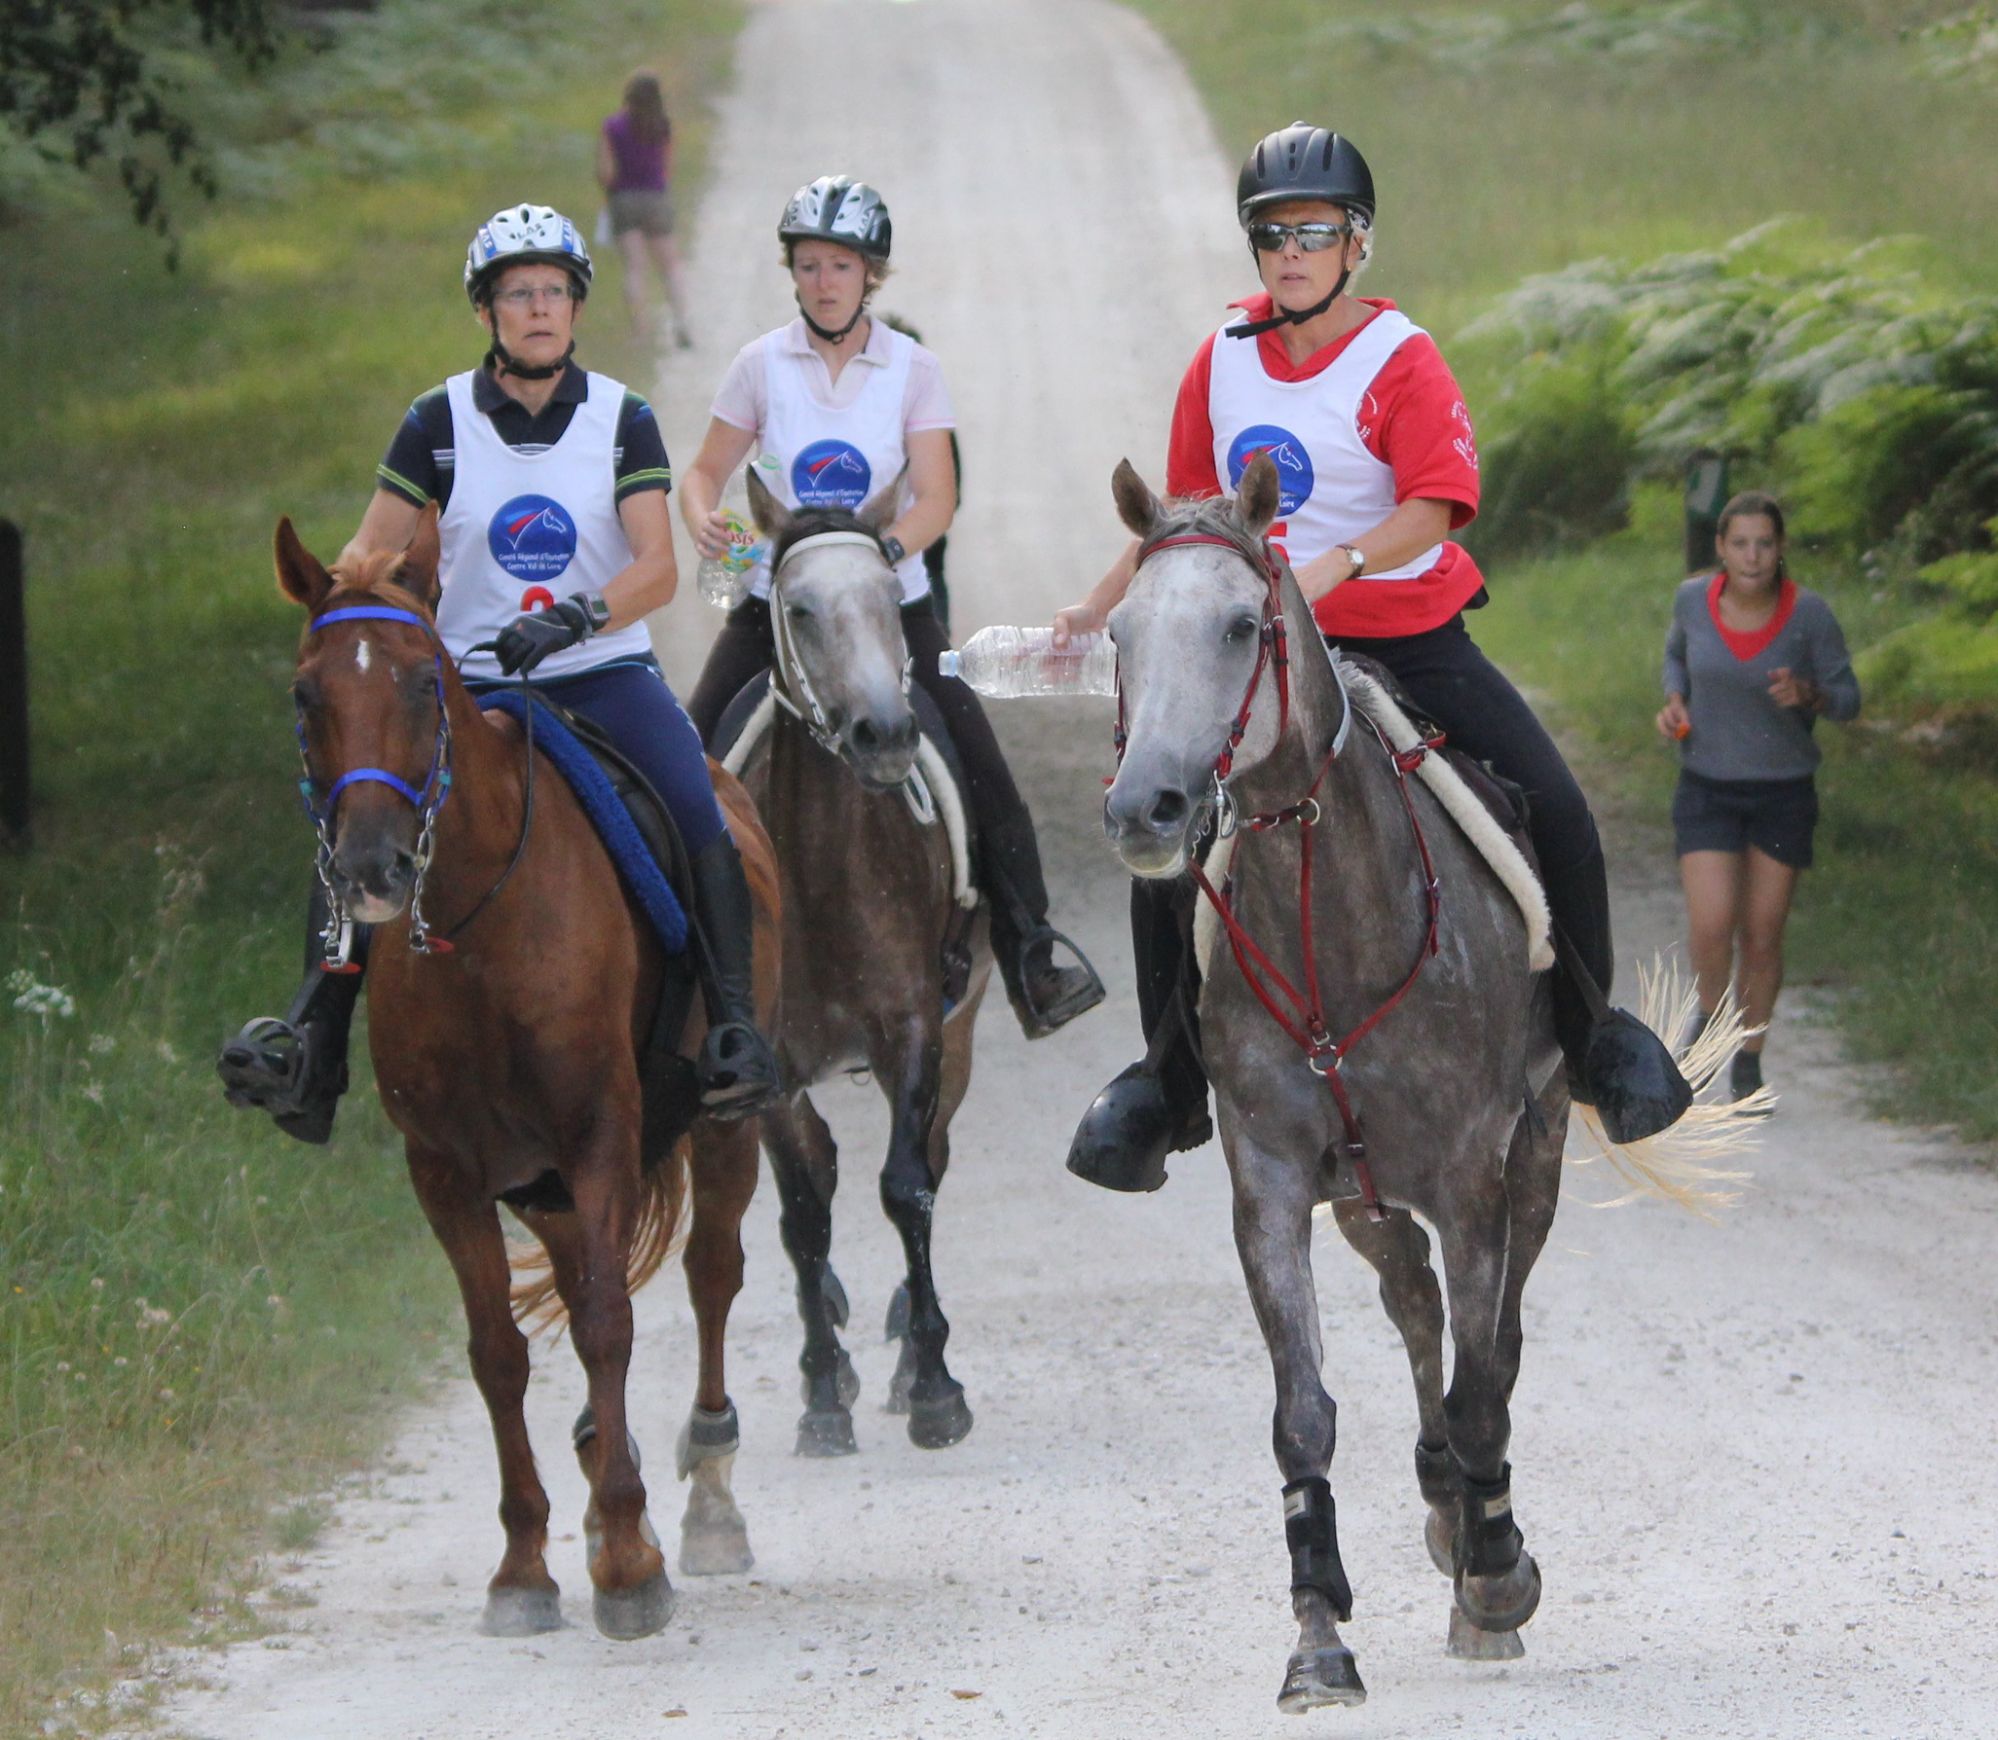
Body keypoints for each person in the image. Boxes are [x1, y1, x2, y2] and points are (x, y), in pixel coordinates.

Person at [1054, 122, 1691, 1192]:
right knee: (1167, 827)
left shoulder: (1403, 358)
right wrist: (1095, 603)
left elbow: (1434, 508)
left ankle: (1593, 1038)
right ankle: (1164, 1084)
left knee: (1558, 805)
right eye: (1271, 233)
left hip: (1404, 631)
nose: (1291, 251)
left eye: (1313, 231)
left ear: (1357, 244)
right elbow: (1186, 522)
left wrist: (1334, 570)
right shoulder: (1219, 361)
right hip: (1264, 653)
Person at [217, 203, 780, 1143]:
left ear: (575, 308)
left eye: (555, 292)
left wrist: (573, 616)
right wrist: (351, 595)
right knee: (359, 808)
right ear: (486, 313)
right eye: (518, 294)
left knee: (693, 798)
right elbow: (372, 548)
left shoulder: (621, 420)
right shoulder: (433, 424)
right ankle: (311, 1036)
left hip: (599, 671)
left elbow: (655, 568)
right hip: (466, 684)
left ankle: (733, 1034)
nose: (539, 309)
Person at [678, 175, 1103, 1040]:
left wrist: (880, 559)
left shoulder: (915, 370)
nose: (824, 280)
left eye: (841, 265)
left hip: (888, 607)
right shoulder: (760, 365)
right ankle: (676, 971)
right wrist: (702, 521)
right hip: (777, 613)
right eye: (808, 265)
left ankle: (1030, 950)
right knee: (688, 761)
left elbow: (936, 496)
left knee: (982, 762)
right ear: (791, 273)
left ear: (871, 274)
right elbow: (702, 474)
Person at [1657, 490, 1860, 1102]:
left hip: (1782, 793)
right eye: (1739, 543)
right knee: (1712, 924)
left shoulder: (1810, 616)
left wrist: (1810, 695)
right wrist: (1674, 702)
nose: (1752, 556)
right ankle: (1710, 1021)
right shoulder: (1693, 601)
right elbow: (1675, 657)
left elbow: (1848, 698)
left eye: (1764, 544)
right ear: (1720, 549)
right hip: (1707, 788)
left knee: (1763, 933)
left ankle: (1749, 1055)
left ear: (1781, 549)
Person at [596, 71, 692, 350]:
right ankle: (681, 324)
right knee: (671, 266)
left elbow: (606, 172)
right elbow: (667, 169)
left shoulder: (612, 126)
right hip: (656, 199)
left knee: (635, 269)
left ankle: (640, 333)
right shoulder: (663, 126)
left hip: (624, 200)